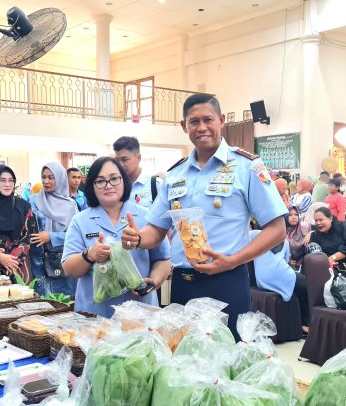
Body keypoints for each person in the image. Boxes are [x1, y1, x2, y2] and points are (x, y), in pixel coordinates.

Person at [120, 93, 287, 335]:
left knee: (228, 358)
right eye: (194, 122)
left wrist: (233, 260)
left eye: (208, 120)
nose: (202, 128)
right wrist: (136, 239)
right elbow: (156, 230)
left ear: (221, 121)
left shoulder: (246, 166)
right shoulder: (175, 175)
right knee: (183, 357)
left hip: (228, 281)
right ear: (184, 126)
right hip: (183, 285)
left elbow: (277, 229)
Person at [62, 157, 171, 317]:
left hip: (141, 313)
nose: (108, 186)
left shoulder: (146, 215)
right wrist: (89, 255)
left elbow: (163, 259)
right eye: (100, 181)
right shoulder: (80, 220)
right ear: (92, 185)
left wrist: (154, 281)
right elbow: (69, 268)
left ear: (124, 181)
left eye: (114, 179)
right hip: (94, 316)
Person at [30, 161, 78, 296]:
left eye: (51, 177)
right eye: (43, 177)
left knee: (64, 302)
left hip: (62, 259)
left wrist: (51, 236)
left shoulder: (70, 205)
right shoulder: (33, 201)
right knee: (43, 301)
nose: (46, 181)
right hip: (38, 260)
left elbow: (75, 235)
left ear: (60, 178)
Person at [249, 229, 309, 330]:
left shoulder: (255, 234)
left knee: (303, 285)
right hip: (283, 275)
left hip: (262, 278)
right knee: (306, 286)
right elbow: (286, 262)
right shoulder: (283, 240)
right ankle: (305, 324)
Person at [304, 206, 346, 276]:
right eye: (316, 220)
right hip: (329, 269)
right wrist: (325, 262)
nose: (318, 223)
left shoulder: (343, 226)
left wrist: (332, 258)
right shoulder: (315, 235)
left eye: (321, 220)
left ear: (330, 218)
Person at [113, 136, 161, 208]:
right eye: (117, 160)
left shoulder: (156, 185)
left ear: (138, 158)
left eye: (124, 159)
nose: (120, 165)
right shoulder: (113, 185)